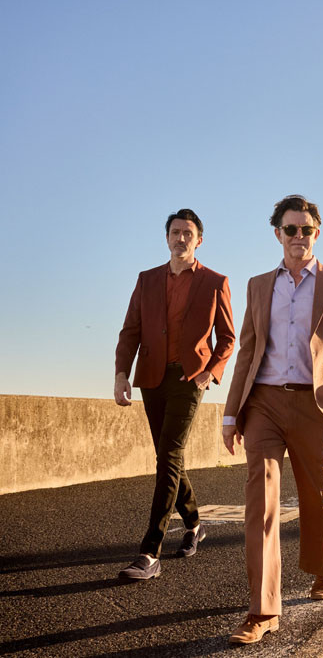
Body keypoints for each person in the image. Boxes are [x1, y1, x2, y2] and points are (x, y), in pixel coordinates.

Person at [222, 194, 323, 645]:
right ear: (277, 233)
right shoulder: (259, 285)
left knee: (317, 491)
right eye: (290, 229)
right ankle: (262, 611)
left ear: (316, 233)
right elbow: (247, 349)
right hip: (262, 401)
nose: (298, 237)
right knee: (259, 498)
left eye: (306, 229)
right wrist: (231, 413)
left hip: (314, 403)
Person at [114, 209, 236, 580]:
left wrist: (209, 374)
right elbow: (131, 330)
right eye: (175, 232)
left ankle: (150, 552)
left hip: (189, 380)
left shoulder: (215, 281)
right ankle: (195, 524)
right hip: (151, 377)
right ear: (166, 237)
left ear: (199, 240)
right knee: (170, 457)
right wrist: (122, 373)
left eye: (188, 233)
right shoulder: (147, 280)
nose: (180, 238)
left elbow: (228, 338)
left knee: (168, 454)